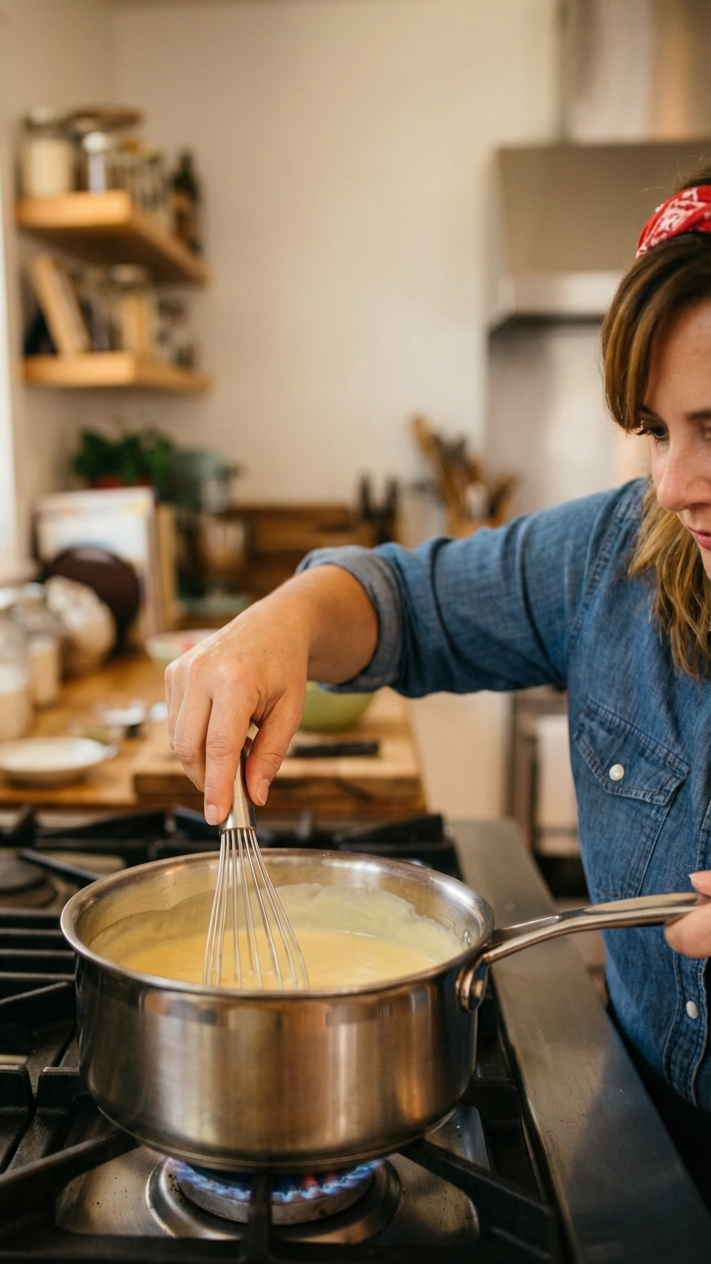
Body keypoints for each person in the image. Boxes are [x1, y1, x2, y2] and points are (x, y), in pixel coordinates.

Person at [166, 169, 711, 1199]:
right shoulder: (612, 557)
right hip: (641, 1138)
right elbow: (403, 604)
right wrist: (280, 621)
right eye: (653, 430)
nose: (674, 484)